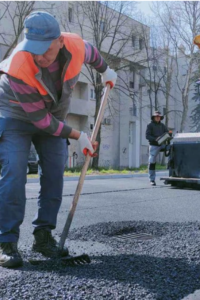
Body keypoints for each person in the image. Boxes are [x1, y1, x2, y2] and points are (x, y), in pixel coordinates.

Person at [0, 11, 117, 268]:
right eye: (34, 50)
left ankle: (43, 237)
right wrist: (78, 136)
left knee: (54, 173)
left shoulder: (75, 45)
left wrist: (106, 71)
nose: (39, 57)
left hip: (52, 115)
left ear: (60, 42)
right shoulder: (19, 66)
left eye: (46, 50)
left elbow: (93, 54)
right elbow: (40, 121)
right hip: (15, 114)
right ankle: (6, 242)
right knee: (14, 173)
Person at [146, 111, 168, 186]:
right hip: (154, 145)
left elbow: (167, 133)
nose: (158, 118)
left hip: (162, 144)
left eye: (159, 117)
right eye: (156, 116)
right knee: (151, 161)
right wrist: (156, 139)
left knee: (173, 150)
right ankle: (152, 180)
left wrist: (167, 137)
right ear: (154, 117)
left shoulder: (162, 125)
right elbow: (147, 136)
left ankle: (172, 176)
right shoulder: (150, 125)